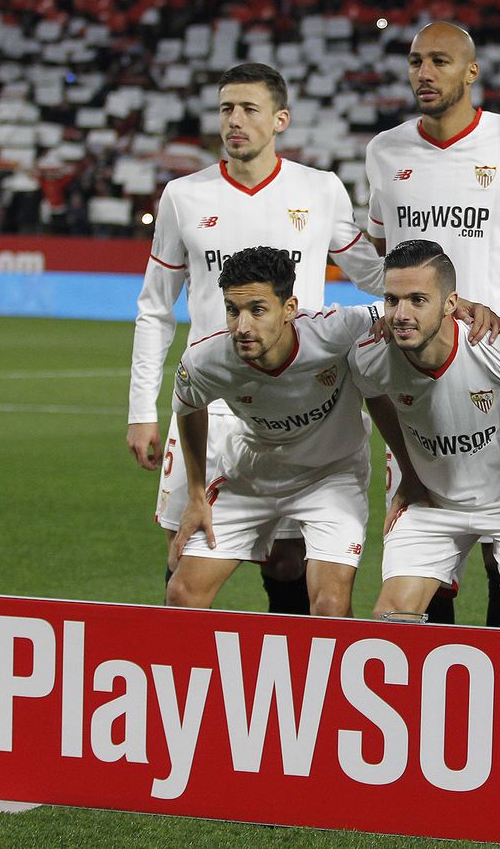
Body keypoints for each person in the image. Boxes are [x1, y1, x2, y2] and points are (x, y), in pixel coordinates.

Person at [129, 63, 384, 615]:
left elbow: (373, 274)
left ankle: (288, 681)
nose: (235, 121)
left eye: (249, 109)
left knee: (289, 561)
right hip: (208, 400)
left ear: (280, 119)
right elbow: (155, 307)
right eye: (226, 109)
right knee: (182, 553)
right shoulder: (182, 195)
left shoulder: (320, 190)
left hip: (300, 402)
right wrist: (140, 409)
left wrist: (446, 291)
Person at [364, 20, 500, 626]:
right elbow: (379, 254)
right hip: (417, 379)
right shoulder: (384, 151)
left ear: (471, 72)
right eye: (416, 61)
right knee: (427, 554)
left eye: (440, 61)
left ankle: (499, 707)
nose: (424, 72)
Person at [352, 240, 500, 630]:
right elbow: (374, 393)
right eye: (392, 300)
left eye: (417, 300)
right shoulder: (372, 354)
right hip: (436, 502)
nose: (401, 314)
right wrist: (408, 471)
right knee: (391, 618)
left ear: (450, 303)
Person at [165, 247, 374, 618]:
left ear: (289, 308)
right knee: (182, 594)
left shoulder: (335, 330)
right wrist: (197, 494)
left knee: (330, 606)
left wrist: (466, 306)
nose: (242, 326)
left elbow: (406, 311)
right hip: (251, 474)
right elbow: (189, 408)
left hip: (331, 475)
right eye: (233, 310)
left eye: (257, 310)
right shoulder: (206, 359)